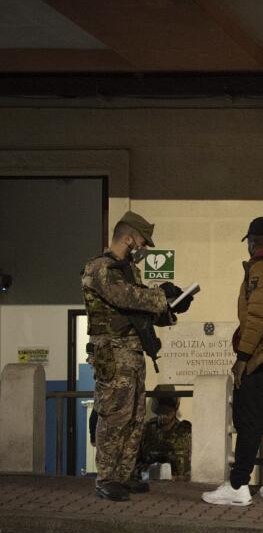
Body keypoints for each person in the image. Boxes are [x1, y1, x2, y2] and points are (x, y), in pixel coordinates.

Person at [82, 211, 192, 501]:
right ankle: (106, 478)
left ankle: (124, 474)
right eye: (142, 242)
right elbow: (126, 298)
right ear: (129, 238)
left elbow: (140, 310)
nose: (143, 248)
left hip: (131, 353)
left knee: (135, 416)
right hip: (112, 353)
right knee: (114, 416)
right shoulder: (100, 268)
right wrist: (161, 295)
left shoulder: (128, 269)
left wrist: (173, 308)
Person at [203, 217, 263, 507]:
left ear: (254, 240)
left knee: (249, 421)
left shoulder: (262, 268)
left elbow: (256, 317)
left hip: (260, 355)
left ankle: (238, 484)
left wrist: (242, 358)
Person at [135, 389, 192, 480]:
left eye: (167, 412)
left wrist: (181, 477)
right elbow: (133, 463)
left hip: (181, 486)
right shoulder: (146, 431)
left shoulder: (187, 432)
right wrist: (147, 471)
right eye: (160, 411)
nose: (163, 415)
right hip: (150, 484)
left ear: (175, 409)